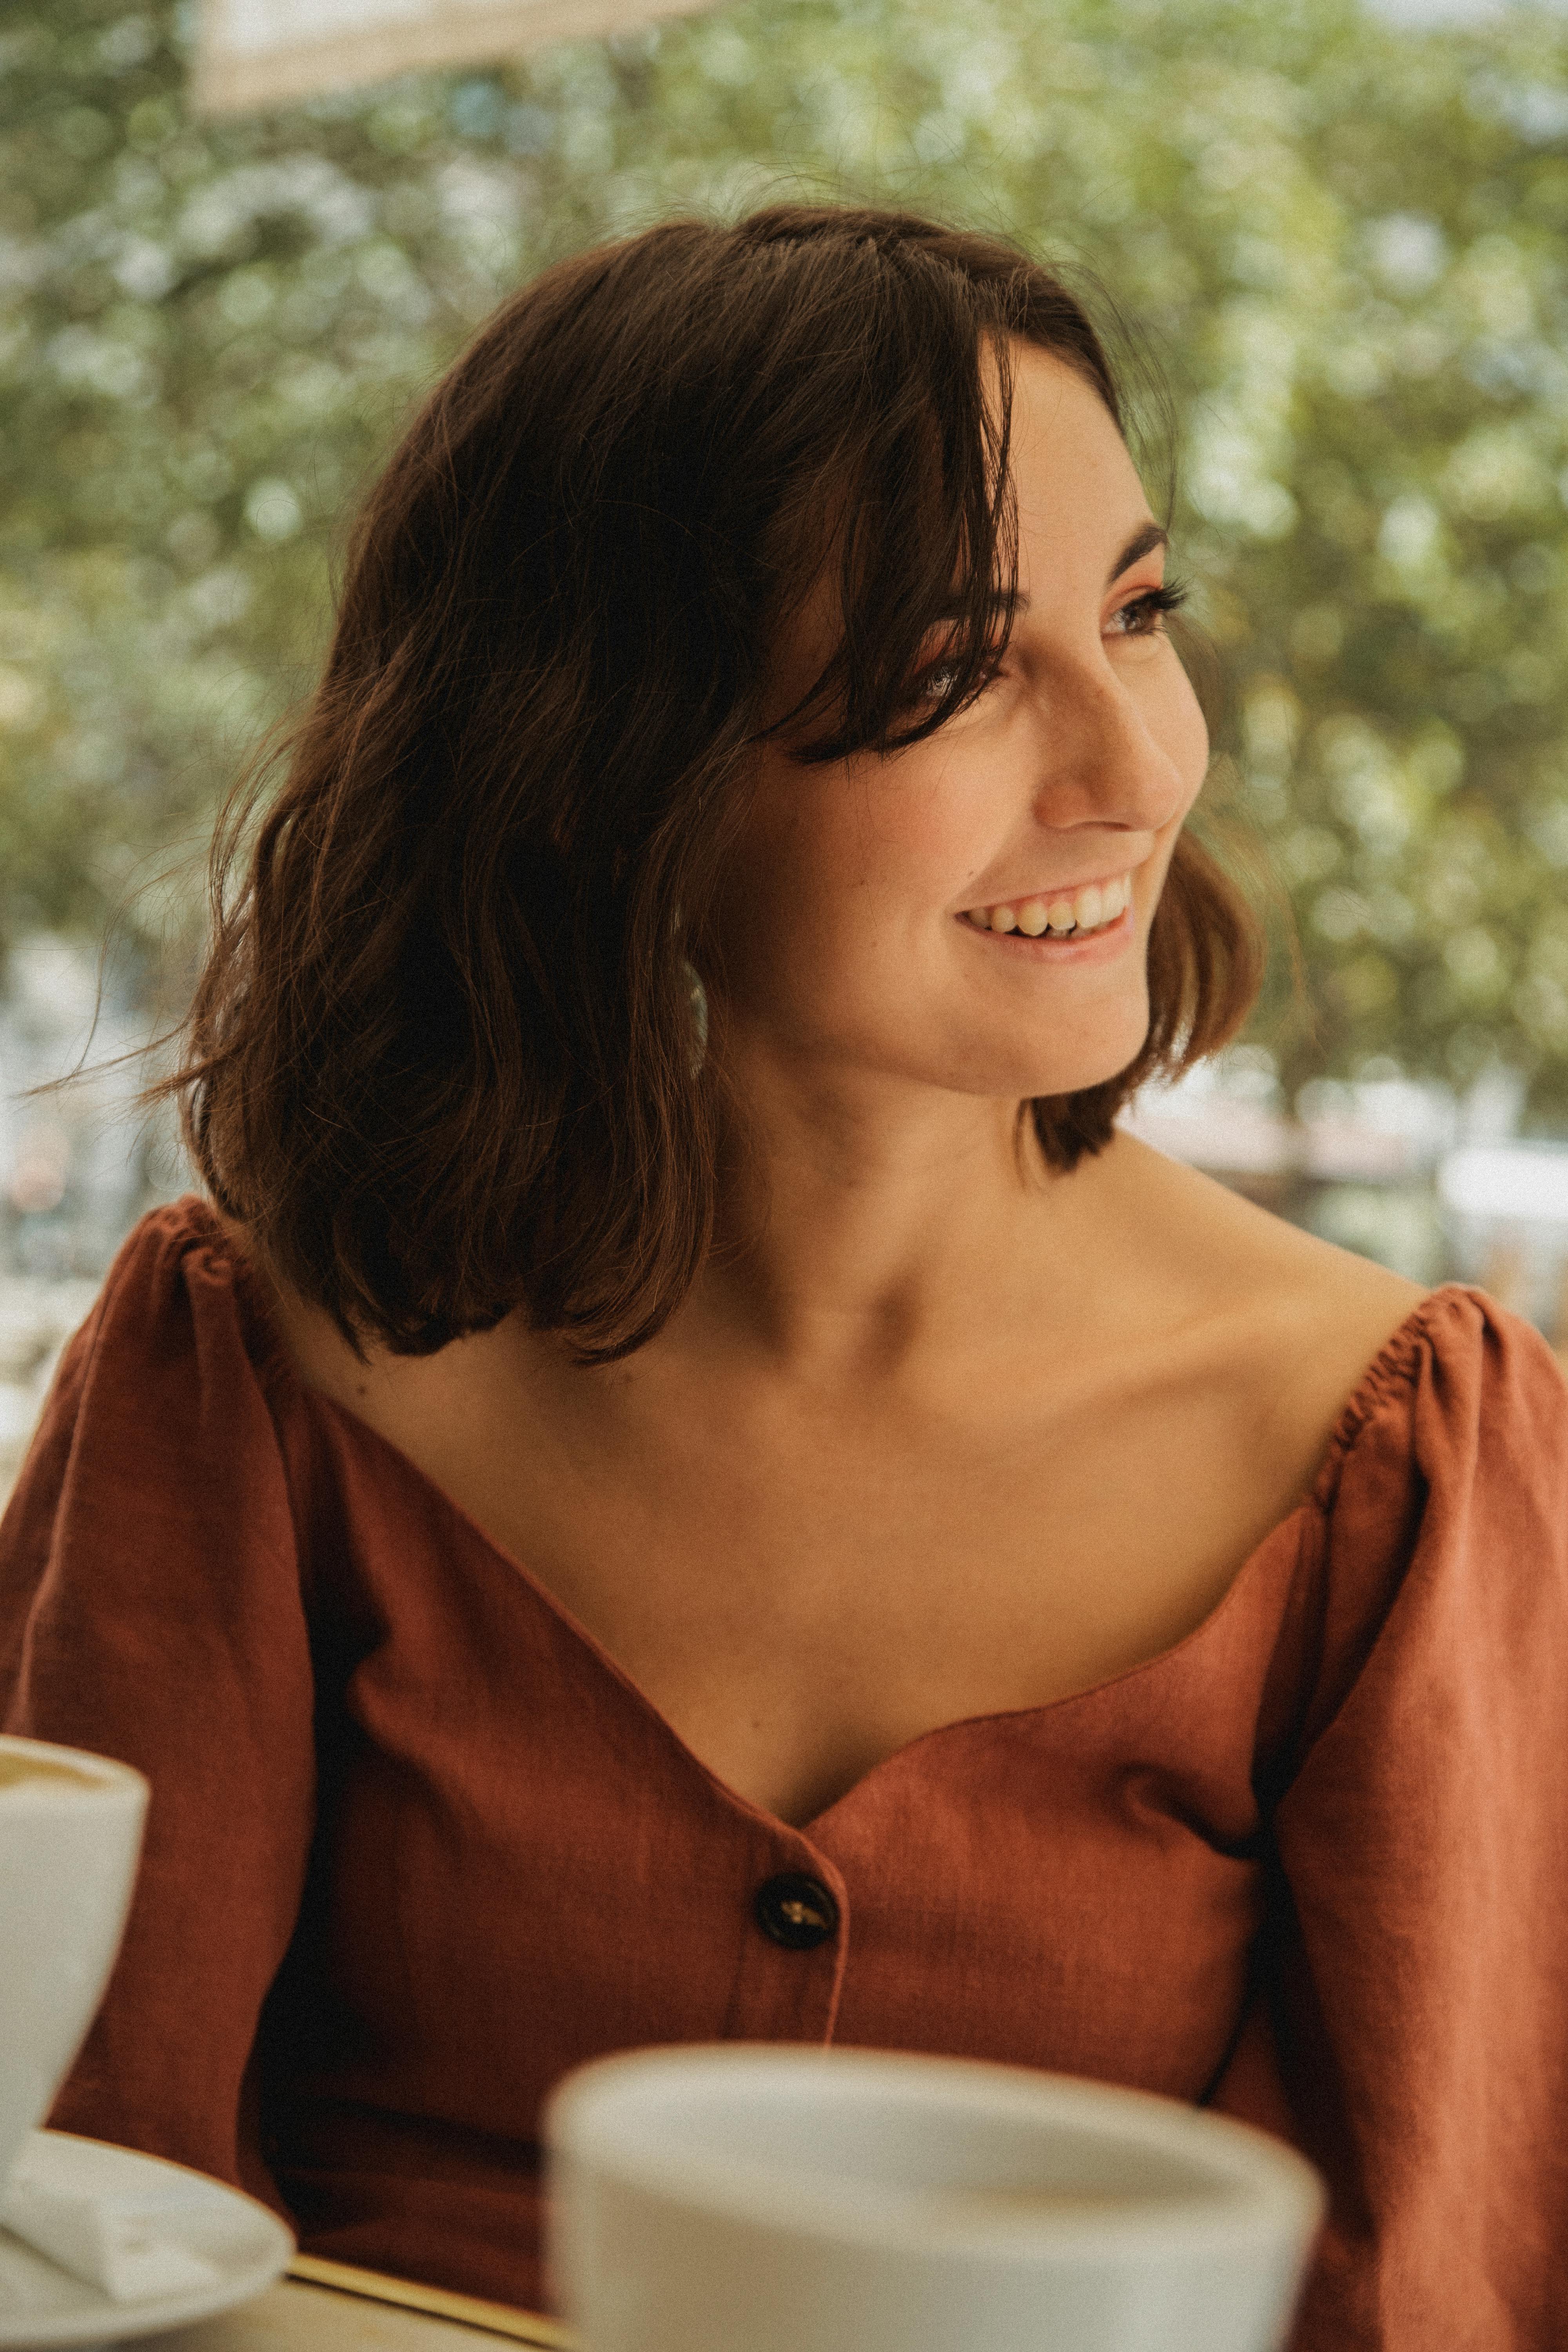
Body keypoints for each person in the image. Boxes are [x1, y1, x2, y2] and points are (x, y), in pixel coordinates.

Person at [2, 204, 1565, 2351]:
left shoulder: (1395, 1456)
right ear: (602, 767)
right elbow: (73, 2196)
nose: (1131, 770)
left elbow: (1431, 2293)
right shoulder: (260, 1368)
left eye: (1140, 612)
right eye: (950, 674)